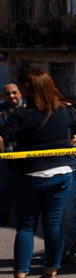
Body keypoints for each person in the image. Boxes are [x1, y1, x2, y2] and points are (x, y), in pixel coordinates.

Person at [0, 70, 76, 278]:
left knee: (26, 226)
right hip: (60, 175)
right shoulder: (63, 112)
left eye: (21, 87)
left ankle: (20, 276)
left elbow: (3, 136)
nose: (19, 92)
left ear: (28, 89)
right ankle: (50, 273)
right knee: (53, 225)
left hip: (29, 176)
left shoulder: (21, 115)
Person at [1, 82, 25, 226]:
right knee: (4, 186)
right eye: (7, 94)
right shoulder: (1, 109)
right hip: (4, 155)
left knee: (26, 185)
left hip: (26, 154)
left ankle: (26, 215)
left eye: (14, 92)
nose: (11, 96)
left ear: (20, 93)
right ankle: (3, 215)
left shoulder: (30, 108)